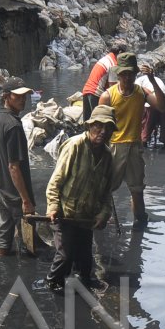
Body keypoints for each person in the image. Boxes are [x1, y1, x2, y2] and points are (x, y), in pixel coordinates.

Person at [44, 105, 117, 293]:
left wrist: (104, 213)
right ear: (89, 126)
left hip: (86, 217)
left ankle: (84, 282)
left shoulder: (108, 157)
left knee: (85, 257)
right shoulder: (74, 146)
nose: (102, 131)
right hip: (64, 213)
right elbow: (56, 181)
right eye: (98, 126)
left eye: (107, 128)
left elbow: (107, 194)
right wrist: (53, 206)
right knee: (65, 255)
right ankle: (52, 282)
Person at [98, 51, 149, 225]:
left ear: (136, 74)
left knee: (137, 191)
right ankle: (102, 221)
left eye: (131, 74)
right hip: (114, 147)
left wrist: (153, 81)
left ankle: (140, 223)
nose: (127, 78)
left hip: (134, 146)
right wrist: (99, 154)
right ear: (118, 74)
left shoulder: (141, 92)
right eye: (124, 74)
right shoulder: (108, 96)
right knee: (104, 189)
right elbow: (99, 128)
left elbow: (163, 107)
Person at [0, 77, 36, 258]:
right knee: (27, 244)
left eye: (25, 96)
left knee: (4, 238)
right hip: (16, 196)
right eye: (18, 96)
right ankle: (26, 279)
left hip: (3, 190)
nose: (23, 99)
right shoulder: (14, 126)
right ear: (7, 97)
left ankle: (2, 271)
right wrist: (25, 200)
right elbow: (14, 167)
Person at [81, 39, 126, 121]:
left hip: (87, 90)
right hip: (96, 94)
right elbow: (113, 88)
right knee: (98, 121)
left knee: (88, 123)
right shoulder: (113, 64)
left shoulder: (106, 58)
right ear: (120, 52)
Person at [138, 63, 165, 150]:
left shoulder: (138, 82)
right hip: (163, 103)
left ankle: (144, 148)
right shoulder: (157, 80)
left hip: (151, 104)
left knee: (144, 133)